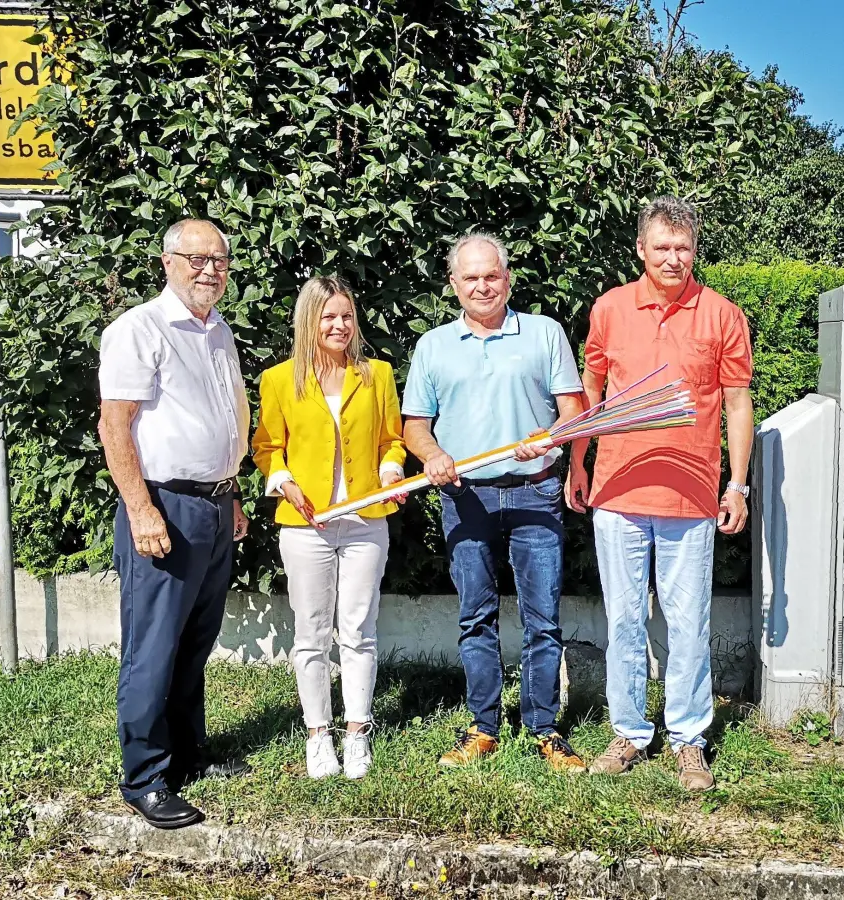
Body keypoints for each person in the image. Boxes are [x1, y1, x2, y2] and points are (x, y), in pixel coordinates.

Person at [568, 197, 755, 791]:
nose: (674, 258)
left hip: (692, 496)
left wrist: (738, 485)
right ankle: (627, 733)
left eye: (684, 248)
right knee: (623, 619)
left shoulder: (722, 315)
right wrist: (578, 462)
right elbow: (590, 391)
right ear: (641, 251)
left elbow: (737, 403)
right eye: (663, 247)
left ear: (694, 252)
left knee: (687, 620)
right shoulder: (610, 309)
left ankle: (688, 741)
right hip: (618, 490)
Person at [402, 232, 588, 774]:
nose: (482, 286)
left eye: (492, 276)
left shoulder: (544, 333)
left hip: (535, 492)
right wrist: (433, 455)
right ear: (453, 285)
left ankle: (544, 728)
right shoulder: (433, 346)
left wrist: (552, 435)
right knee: (474, 617)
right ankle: (483, 727)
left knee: (542, 619)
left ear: (508, 279)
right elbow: (416, 426)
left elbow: (574, 410)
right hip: (466, 496)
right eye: (470, 278)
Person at [97, 218, 253, 829]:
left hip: (214, 505)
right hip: (165, 505)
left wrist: (231, 494)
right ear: (167, 262)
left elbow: (222, 422)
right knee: (153, 647)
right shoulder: (139, 329)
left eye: (219, 260)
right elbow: (115, 427)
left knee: (196, 640)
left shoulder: (218, 333)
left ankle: (189, 753)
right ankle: (144, 776)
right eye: (197, 259)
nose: (210, 270)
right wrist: (140, 510)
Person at [252, 276, 407, 781]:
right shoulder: (279, 380)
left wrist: (391, 472)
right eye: (328, 317)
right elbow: (267, 447)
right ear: (309, 321)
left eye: (346, 316)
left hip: (366, 521)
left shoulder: (377, 374)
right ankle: (318, 735)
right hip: (306, 524)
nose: (340, 326)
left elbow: (391, 441)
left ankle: (357, 731)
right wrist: (282, 480)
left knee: (358, 630)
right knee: (312, 633)